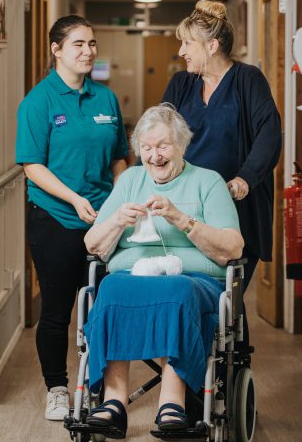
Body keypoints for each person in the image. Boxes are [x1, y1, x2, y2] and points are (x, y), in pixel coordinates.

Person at [81, 104, 244, 438]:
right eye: (146, 148)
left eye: (163, 146)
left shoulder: (207, 183)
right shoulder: (129, 181)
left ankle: (172, 402)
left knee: (176, 291)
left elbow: (233, 248)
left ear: (182, 146)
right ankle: (113, 402)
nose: (154, 156)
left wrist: (181, 220)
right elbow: (92, 244)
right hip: (133, 278)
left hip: (193, 283)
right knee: (110, 288)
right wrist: (115, 221)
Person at [15, 15, 128, 421]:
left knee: (102, 304)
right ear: (56, 49)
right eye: (78, 44)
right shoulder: (39, 101)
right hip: (56, 218)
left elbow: (119, 156)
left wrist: (116, 198)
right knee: (58, 309)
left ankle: (98, 384)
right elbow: (32, 165)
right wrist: (75, 199)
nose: (88, 51)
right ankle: (58, 388)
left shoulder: (106, 99)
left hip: (103, 220)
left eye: (92, 43)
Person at [162, 0, 282, 350]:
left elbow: (269, 134)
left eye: (188, 43)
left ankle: (226, 378)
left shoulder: (248, 80)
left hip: (236, 208)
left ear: (211, 45)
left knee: (226, 297)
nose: (181, 51)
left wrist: (244, 179)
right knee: (193, 294)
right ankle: (192, 382)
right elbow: (161, 131)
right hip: (186, 207)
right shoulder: (181, 84)